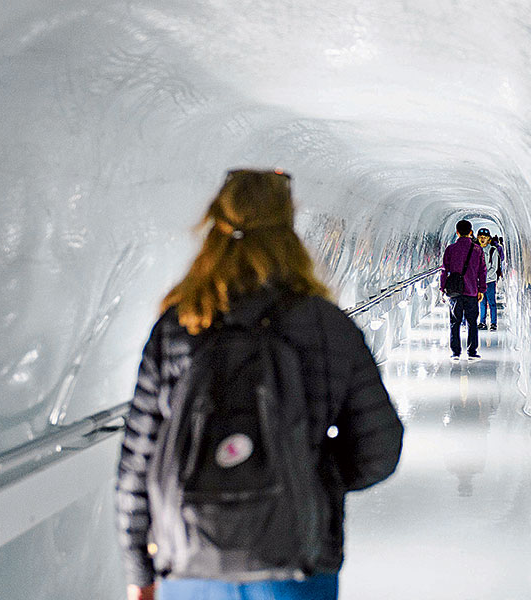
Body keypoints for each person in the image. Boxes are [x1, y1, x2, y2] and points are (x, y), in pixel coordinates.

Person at [116, 169, 404, 600]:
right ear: (288, 230)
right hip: (296, 561)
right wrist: (311, 479)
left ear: (214, 226)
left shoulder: (179, 326)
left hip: (191, 561)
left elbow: (138, 460)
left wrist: (138, 570)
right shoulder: (326, 325)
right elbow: (380, 445)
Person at [440, 220, 486, 361]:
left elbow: (444, 270)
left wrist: (442, 288)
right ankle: (472, 352)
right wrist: (481, 289)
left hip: (455, 292)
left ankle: (455, 352)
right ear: (471, 232)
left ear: (457, 232)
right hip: (472, 291)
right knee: (472, 322)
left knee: (455, 322)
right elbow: (482, 271)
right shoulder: (477, 250)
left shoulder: (450, 249)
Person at [476, 228, 500, 331]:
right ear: (478, 237)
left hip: (489, 281)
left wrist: (483, 277)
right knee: (482, 302)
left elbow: (494, 267)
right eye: (481, 237)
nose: (482, 239)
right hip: (479, 281)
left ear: (488, 239)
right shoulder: (475, 250)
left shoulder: (493, 250)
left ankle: (493, 323)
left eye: (485, 237)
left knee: (491, 302)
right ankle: (482, 322)